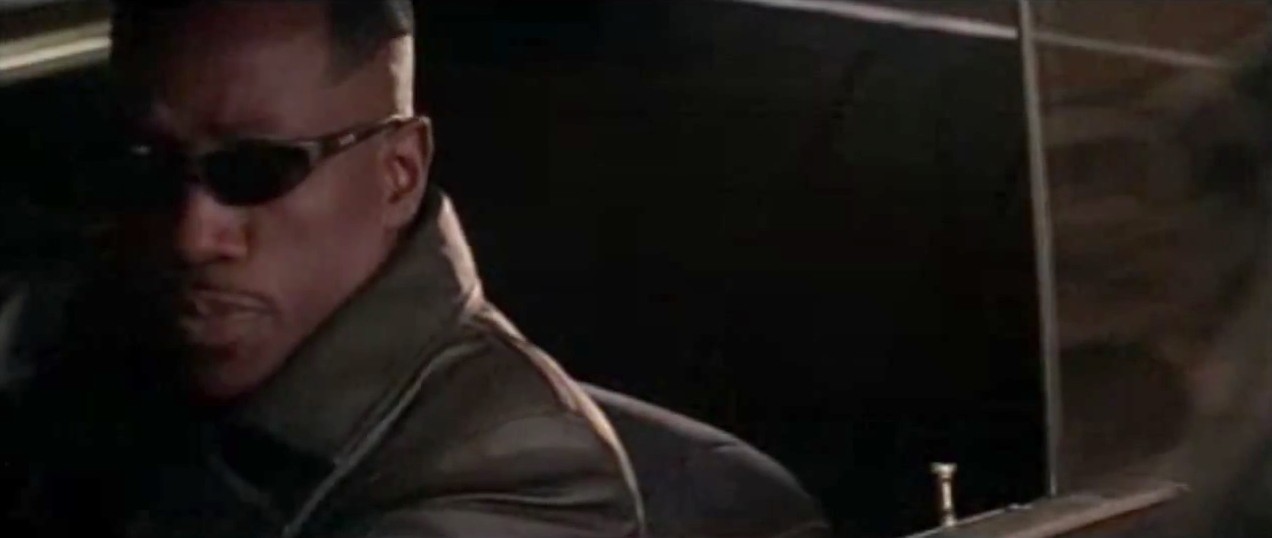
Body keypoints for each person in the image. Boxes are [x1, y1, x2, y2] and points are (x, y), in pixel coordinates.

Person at [1, 1, 646, 536]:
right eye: (151, 165)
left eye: (258, 169)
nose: (194, 238)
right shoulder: (93, 333)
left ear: (399, 175)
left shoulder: (530, 476)